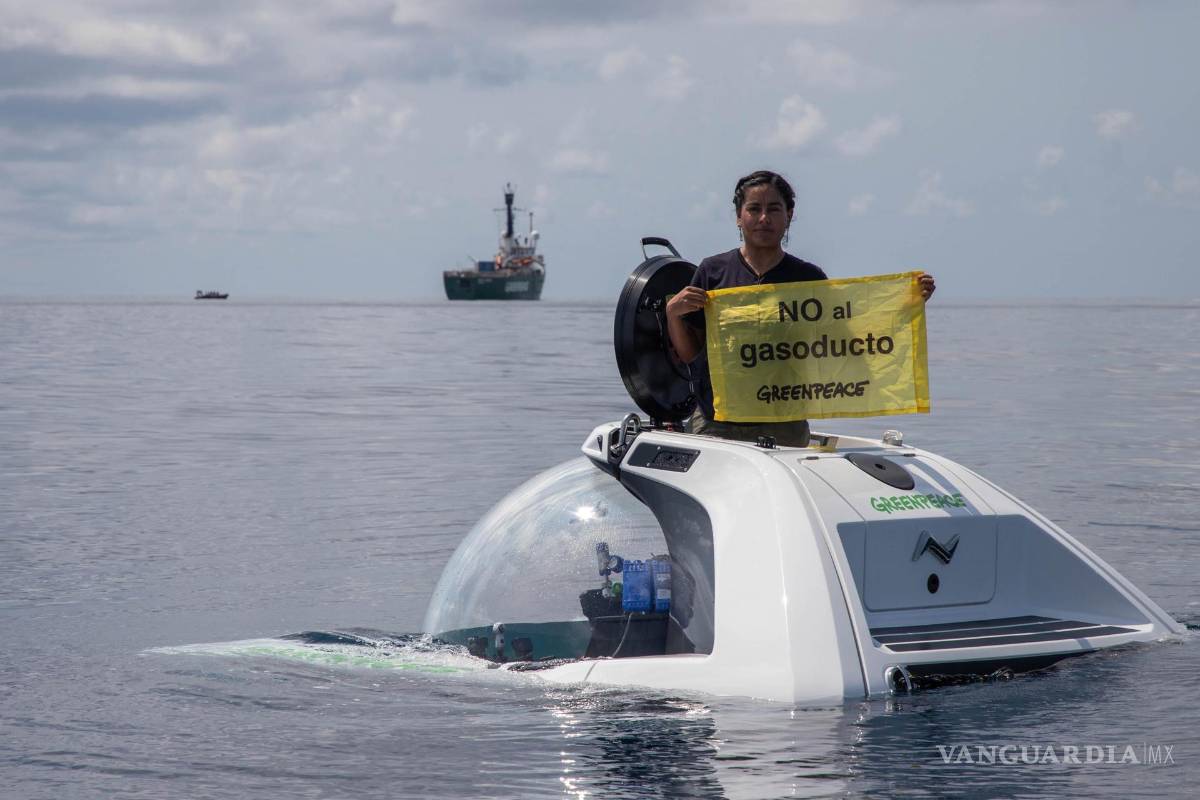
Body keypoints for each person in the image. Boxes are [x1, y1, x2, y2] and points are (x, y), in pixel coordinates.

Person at [665, 170, 936, 447]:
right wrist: (673, 314)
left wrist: (902, 307)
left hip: (784, 425)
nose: (763, 218)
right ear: (738, 216)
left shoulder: (808, 278)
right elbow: (693, 355)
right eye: (754, 209)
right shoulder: (713, 272)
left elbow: (846, 342)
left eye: (774, 209)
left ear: (789, 215)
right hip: (716, 423)